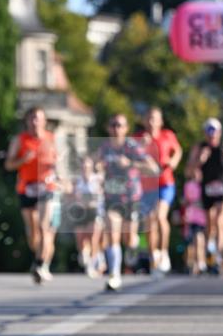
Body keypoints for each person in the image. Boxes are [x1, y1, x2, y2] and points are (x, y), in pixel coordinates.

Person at [95, 113, 159, 291]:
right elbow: (95, 164)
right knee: (112, 234)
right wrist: (97, 167)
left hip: (131, 198)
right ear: (108, 128)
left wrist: (130, 163)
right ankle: (114, 275)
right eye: (113, 125)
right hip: (111, 198)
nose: (116, 129)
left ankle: (133, 248)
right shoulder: (104, 147)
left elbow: (153, 168)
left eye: (120, 125)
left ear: (126, 128)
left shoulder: (132, 147)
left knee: (129, 239)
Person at [4, 106, 58, 283]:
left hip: (46, 187)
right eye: (32, 118)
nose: (35, 122)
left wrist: (60, 176)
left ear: (44, 121)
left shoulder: (51, 139)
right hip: (26, 188)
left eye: (38, 118)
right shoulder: (20, 140)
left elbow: (60, 161)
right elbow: (8, 165)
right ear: (27, 121)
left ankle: (40, 264)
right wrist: (23, 160)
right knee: (33, 233)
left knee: (44, 227)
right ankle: (40, 258)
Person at [136, 107, 182, 274]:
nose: (151, 121)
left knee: (160, 215)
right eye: (148, 118)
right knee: (149, 220)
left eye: (154, 118)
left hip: (165, 183)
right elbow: (130, 160)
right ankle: (153, 255)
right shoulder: (138, 138)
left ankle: (164, 252)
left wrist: (173, 161)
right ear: (143, 120)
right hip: (147, 186)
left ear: (160, 121)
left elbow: (177, 150)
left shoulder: (167, 136)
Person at [186, 118, 223, 275]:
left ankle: (218, 256)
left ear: (219, 132)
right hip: (207, 189)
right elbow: (189, 171)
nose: (212, 135)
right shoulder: (199, 148)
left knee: (220, 220)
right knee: (210, 224)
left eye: (214, 132)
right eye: (208, 132)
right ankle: (210, 250)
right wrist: (200, 160)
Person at [71, 156, 105, 277]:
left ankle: (92, 264)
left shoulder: (98, 179)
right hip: (80, 213)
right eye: (83, 166)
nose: (85, 168)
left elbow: (100, 194)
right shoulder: (77, 180)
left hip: (94, 211)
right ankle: (95, 257)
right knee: (80, 239)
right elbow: (72, 195)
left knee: (93, 238)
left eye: (88, 166)